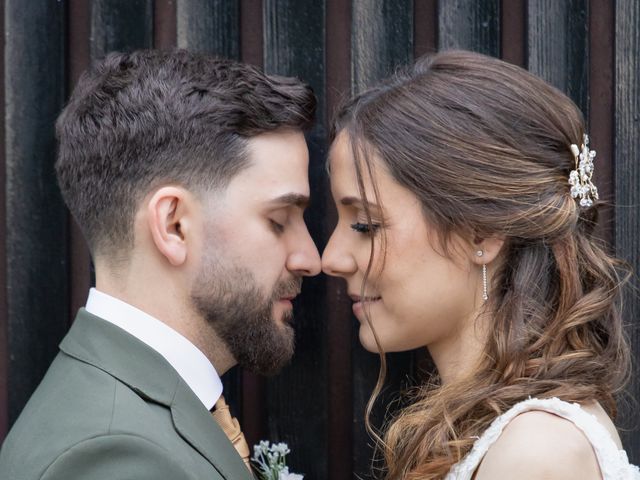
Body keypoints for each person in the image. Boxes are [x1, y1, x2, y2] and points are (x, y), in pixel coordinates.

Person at [0, 49, 321, 479]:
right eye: (279, 221)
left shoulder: (134, 414)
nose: (311, 259)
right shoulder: (116, 456)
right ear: (174, 226)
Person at [322, 50, 639, 479]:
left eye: (365, 224)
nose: (331, 258)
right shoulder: (503, 431)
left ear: (479, 235)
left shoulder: (538, 452)